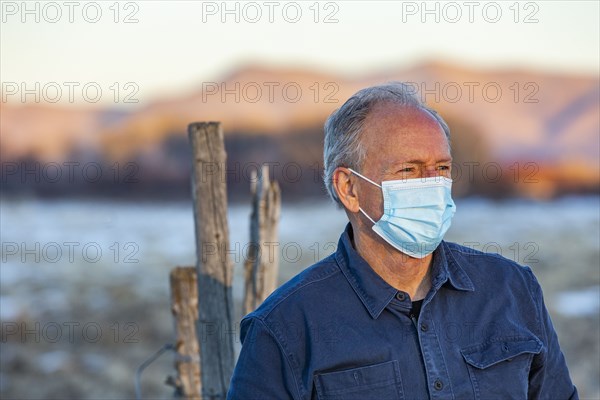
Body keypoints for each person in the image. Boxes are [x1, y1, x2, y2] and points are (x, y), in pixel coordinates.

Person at [227, 82, 578, 399]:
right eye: (408, 170)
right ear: (349, 188)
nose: (432, 184)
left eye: (441, 168)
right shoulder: (286, 328)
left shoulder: (512, 291)